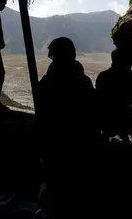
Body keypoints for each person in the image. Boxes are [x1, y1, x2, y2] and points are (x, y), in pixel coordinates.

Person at [36, 37, 100, 218]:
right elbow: (93, 115)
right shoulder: (83, 81)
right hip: (81, 149)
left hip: (55, 149)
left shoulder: (47, 83)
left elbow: (41, 119)